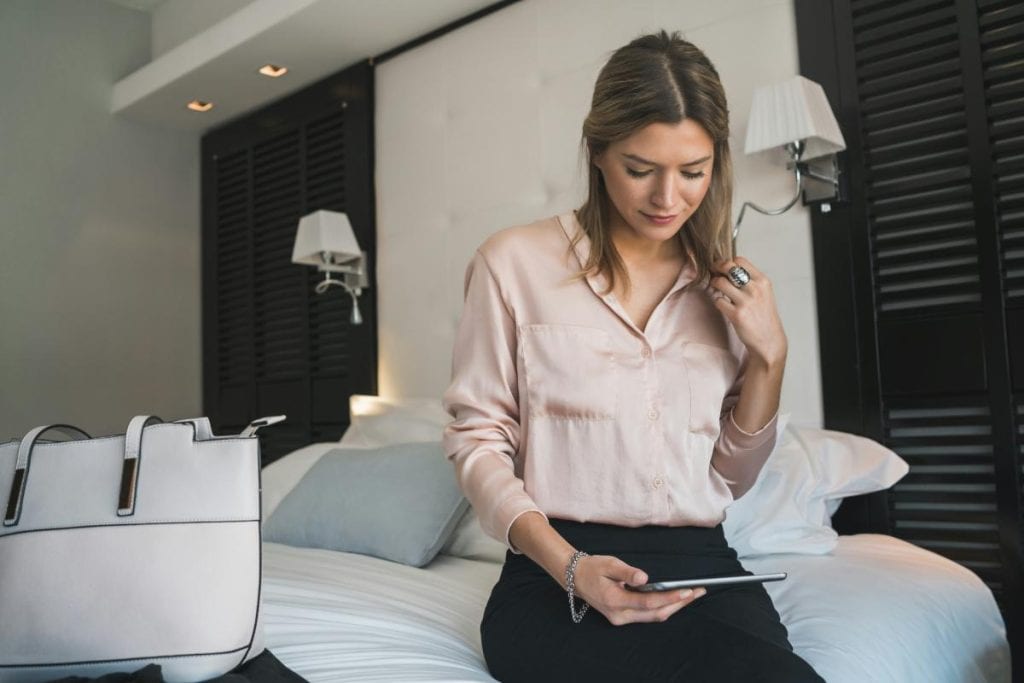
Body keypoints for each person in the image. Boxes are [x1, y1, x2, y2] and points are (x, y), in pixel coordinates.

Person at [442, 30, 824, 682]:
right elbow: (476, 440)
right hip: (553, 571)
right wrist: (570, 565)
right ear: (598, 153)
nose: (667, 198)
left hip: (704, 562)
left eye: (693, 172)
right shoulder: (511, 263)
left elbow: (730, 477)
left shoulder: (729, 291)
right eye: (640, 169)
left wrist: (771, 357)